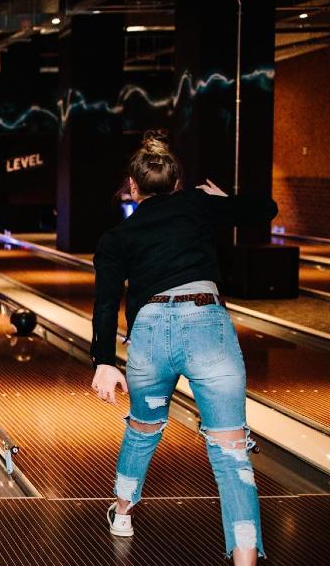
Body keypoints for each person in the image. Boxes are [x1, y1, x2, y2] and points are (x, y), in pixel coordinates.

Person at [90, 131, 277, 565]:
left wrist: (103, 361)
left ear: (133, 188)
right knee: (232, 454)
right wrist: (220, 198)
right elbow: (265, 209)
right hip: (207, 326)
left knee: (143, 428)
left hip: (150, 336)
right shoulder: (197, 206)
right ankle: (245, 559)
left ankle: (122, 513)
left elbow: (105, 302)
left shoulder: (117, 236)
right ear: (177, 184)